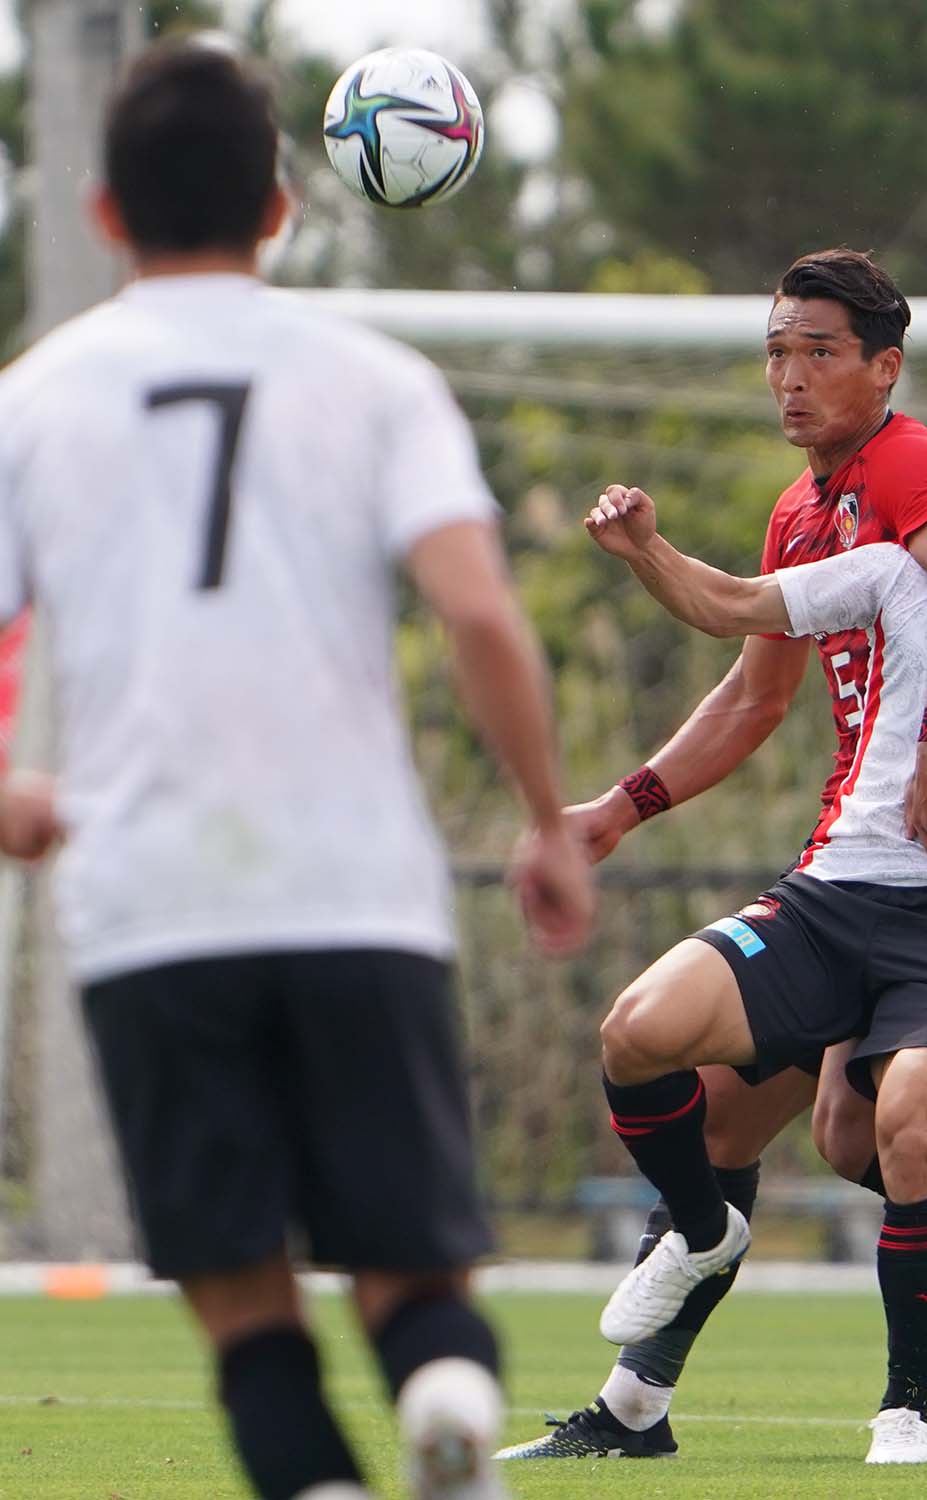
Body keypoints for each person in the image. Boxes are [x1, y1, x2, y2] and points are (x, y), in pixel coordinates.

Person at [0, 40, 594, 1500]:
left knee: (244, 1301)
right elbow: (477, 612)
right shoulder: (373, 383)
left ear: (101, 215)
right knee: (409, 1269)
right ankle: (448, 1397)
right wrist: (544, 822)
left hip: (150, 902)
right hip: (355, 894)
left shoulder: (32, 402)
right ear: (280, 208)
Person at [499, 254, 927, 1462]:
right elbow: (748, 675)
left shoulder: (926, 478)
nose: (790, 375)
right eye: (777, 349)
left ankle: (903, 1403)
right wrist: (623, 803)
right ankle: (638, 1406)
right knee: (760, 1123)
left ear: (885, 369)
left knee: (878, 1128)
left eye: (819, 350)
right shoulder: (820, 522)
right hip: (843, 872)